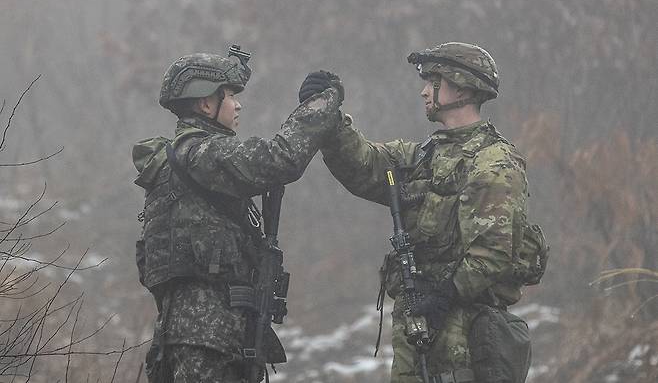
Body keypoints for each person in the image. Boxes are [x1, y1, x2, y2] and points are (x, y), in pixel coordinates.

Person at [312, 42, 542, 383]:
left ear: (460, 87)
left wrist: (444, 294)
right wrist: (329, 118)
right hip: (418, 326)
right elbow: (363, 165)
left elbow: (494, 253)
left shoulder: (493, 162)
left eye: (432, 81)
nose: (423, 92)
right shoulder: (422, 156)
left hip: (465, 333)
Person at [133, 49, 342, 382]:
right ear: (205, 103)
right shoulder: (202, 154)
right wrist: (321, 103)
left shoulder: (175, 164)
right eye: (229, 95)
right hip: (208, 340)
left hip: (191, 337)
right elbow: (281, 158)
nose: (237, 104)